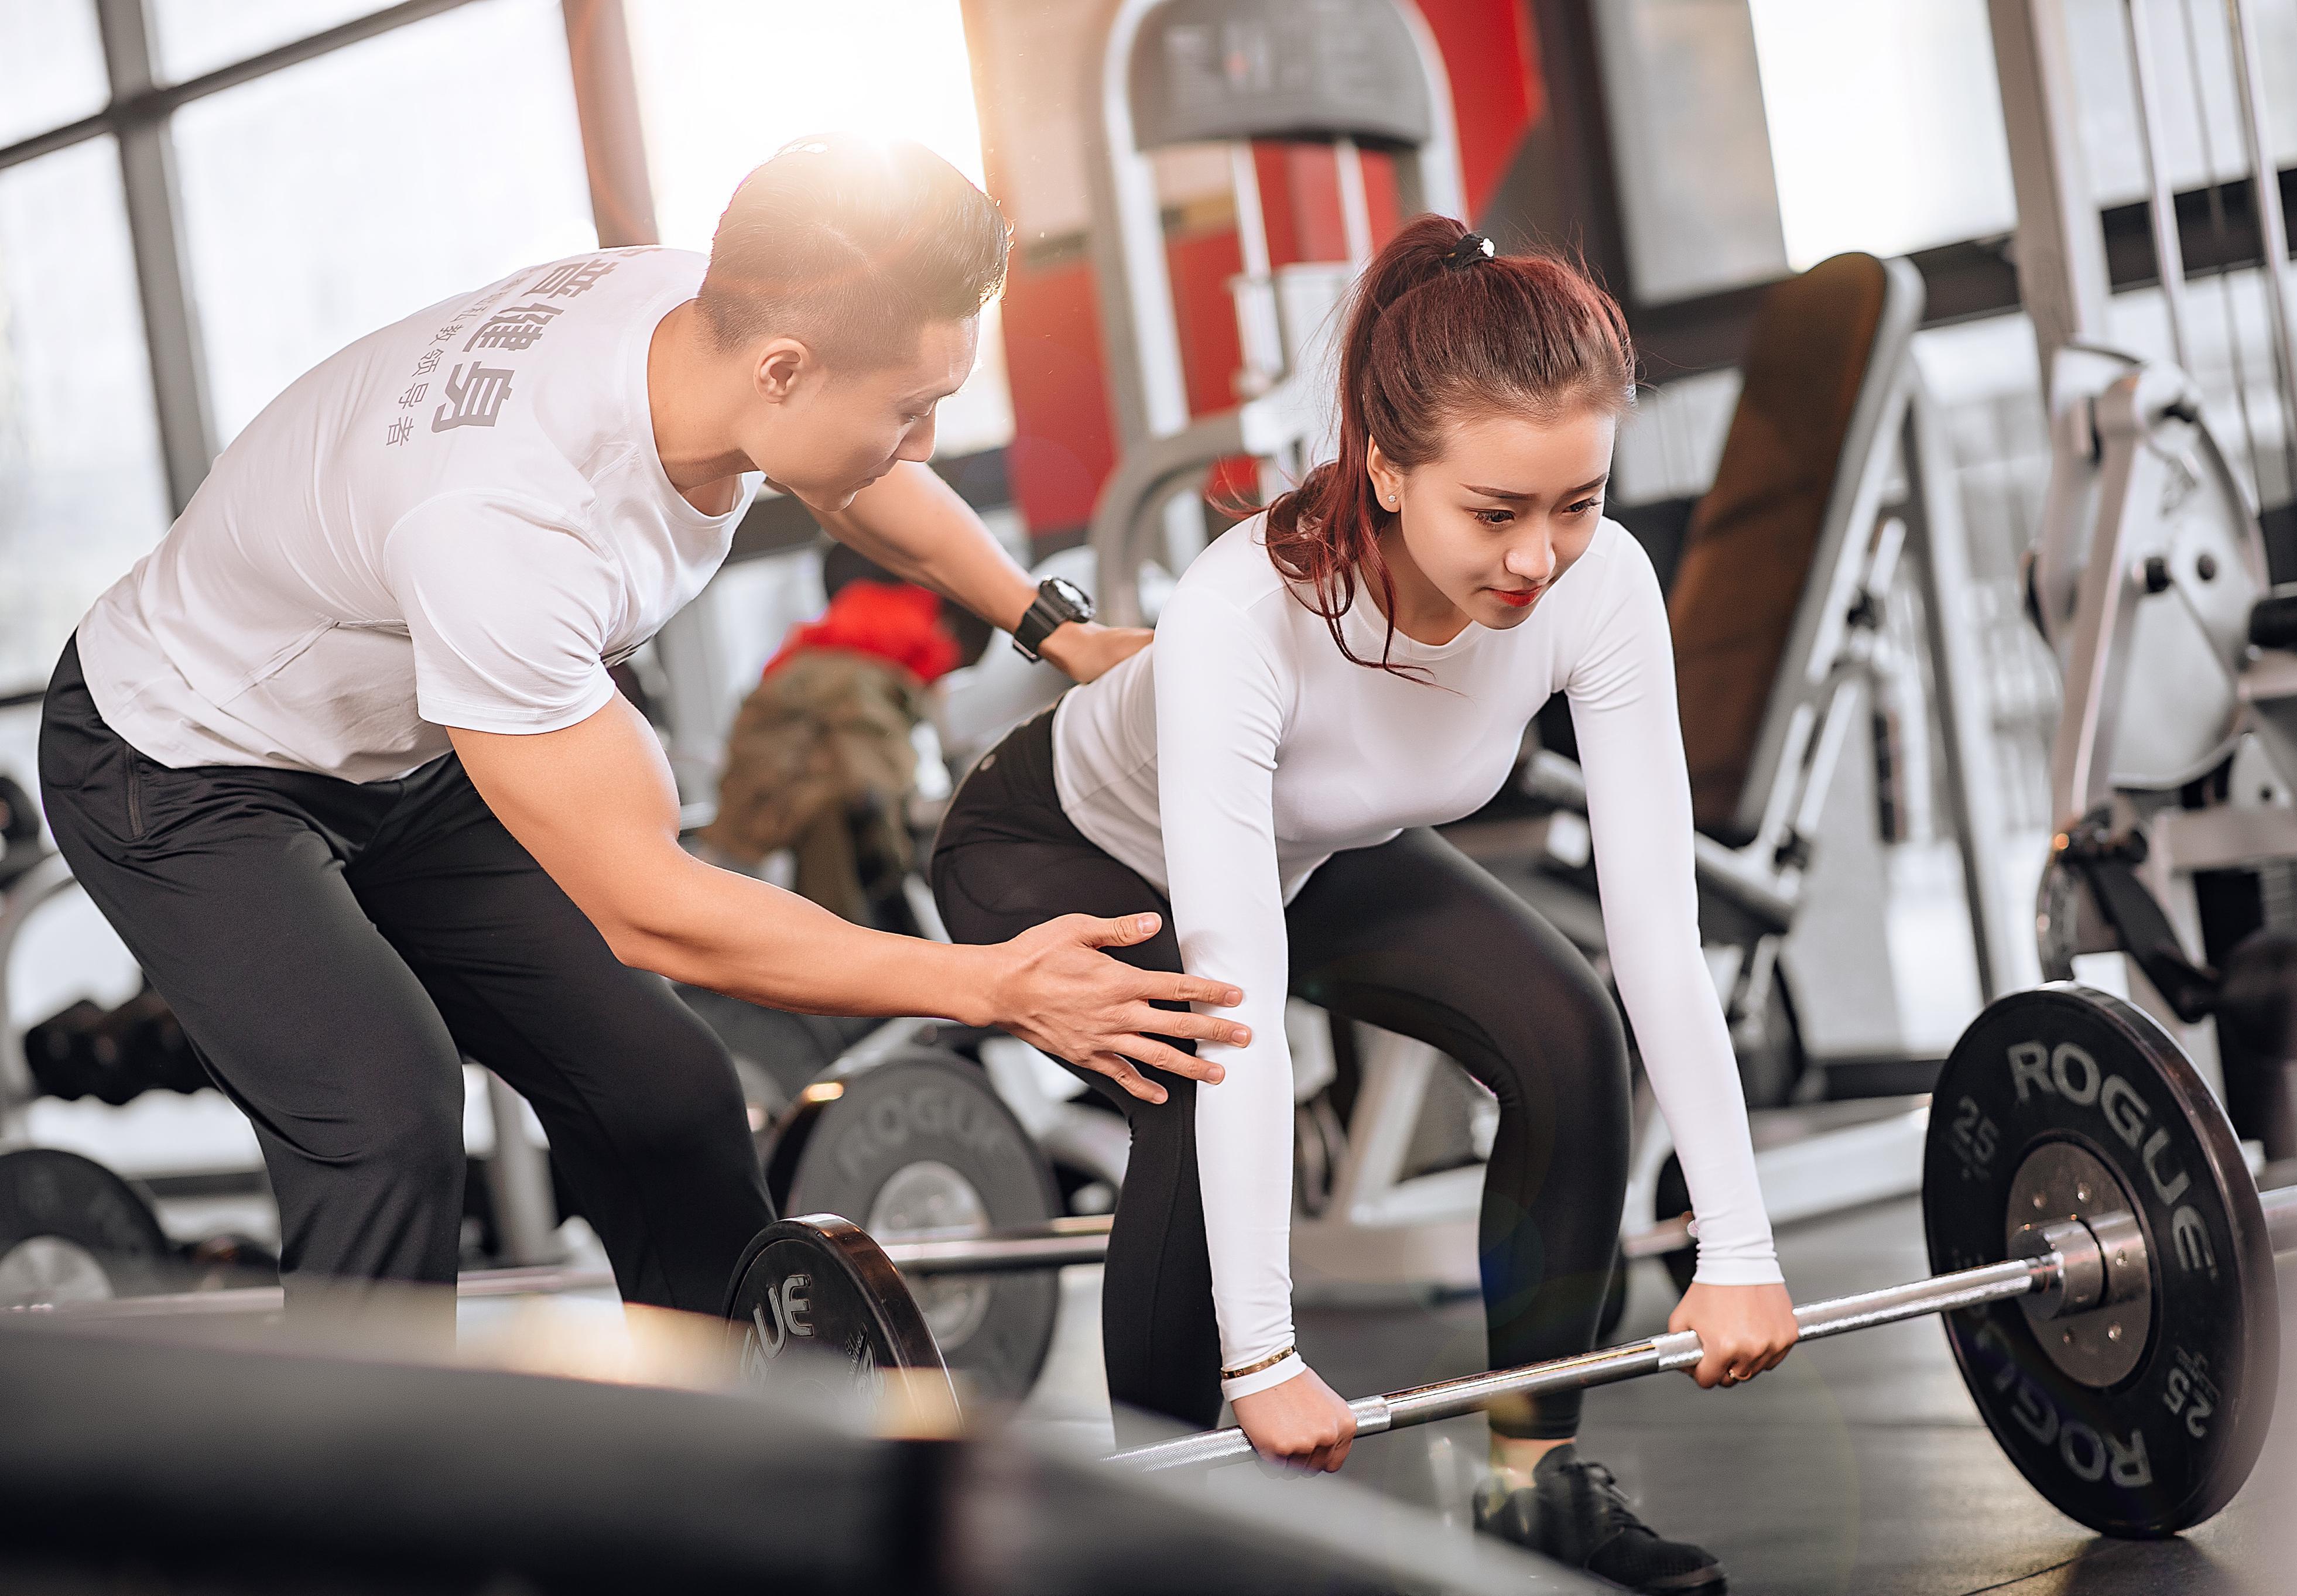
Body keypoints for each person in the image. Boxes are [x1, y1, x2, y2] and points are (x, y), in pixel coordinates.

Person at [37, 135, 1248, 1316]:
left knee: (662, 1092)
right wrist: (982, 984)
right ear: (780, 371)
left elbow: (856, 466)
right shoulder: (514, 529)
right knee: (381, 1113)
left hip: (407, 747)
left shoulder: (706, 312)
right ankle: (364, 1510)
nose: (925, 440)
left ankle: (719, 1459)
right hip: (182, 757)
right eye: (913, 407)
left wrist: (1057, 630)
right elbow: (648, 906)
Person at [931, 217, 1798, 1593]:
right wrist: (1263, 1351)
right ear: (1384, 470)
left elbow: (1656, 933)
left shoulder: (1602, 586)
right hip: (1057, 840)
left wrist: (1737, 1245)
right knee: (1182, 1065)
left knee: (1565, 1032)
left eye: (1575, 501)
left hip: (1305, 847)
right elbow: (1233, 1000)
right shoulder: (1246, 613)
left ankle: (1526, 1489)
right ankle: (1149, 1544)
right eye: (1494, 513)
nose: (1537, 557)